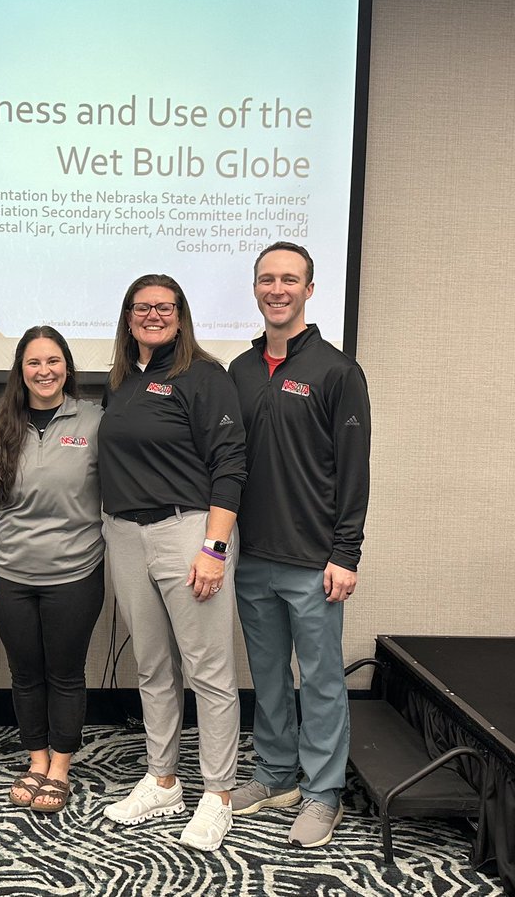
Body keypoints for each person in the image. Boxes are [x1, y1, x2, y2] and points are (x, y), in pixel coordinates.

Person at [227, 242, 371, 848]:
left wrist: (347, 553)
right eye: (267, 279)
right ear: (255, 289)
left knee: (320, 680)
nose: (277, 289)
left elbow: (355, 469)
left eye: (290, 279)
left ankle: (322, 792)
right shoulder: (237, 370)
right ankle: (275, 773)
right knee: (266, 673)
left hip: (314, 560)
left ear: (310, 291)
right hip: (252, 556)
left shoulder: (337, 372)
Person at [98, 273, 247, 852]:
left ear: (181, 315)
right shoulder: (122, 381)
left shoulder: (204, 376)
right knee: (153, 667)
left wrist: (213, 547)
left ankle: (218, 796)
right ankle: (163, 781)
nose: (153, 315)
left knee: (208, 670)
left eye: (165, 307)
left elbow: (231, 463)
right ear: (127, 315)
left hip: (188, 532)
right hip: (126, 534)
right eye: (142, 307)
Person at [0, 326, 105, 813]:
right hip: (10, 578)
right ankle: (37, 759)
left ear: (67, 366)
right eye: (33, 363)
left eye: (53, 361)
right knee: (25, 674)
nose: (44, 371)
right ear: (20, 371)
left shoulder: (94, 422)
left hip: (76, 574)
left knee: (65, 674)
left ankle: (61, 767)